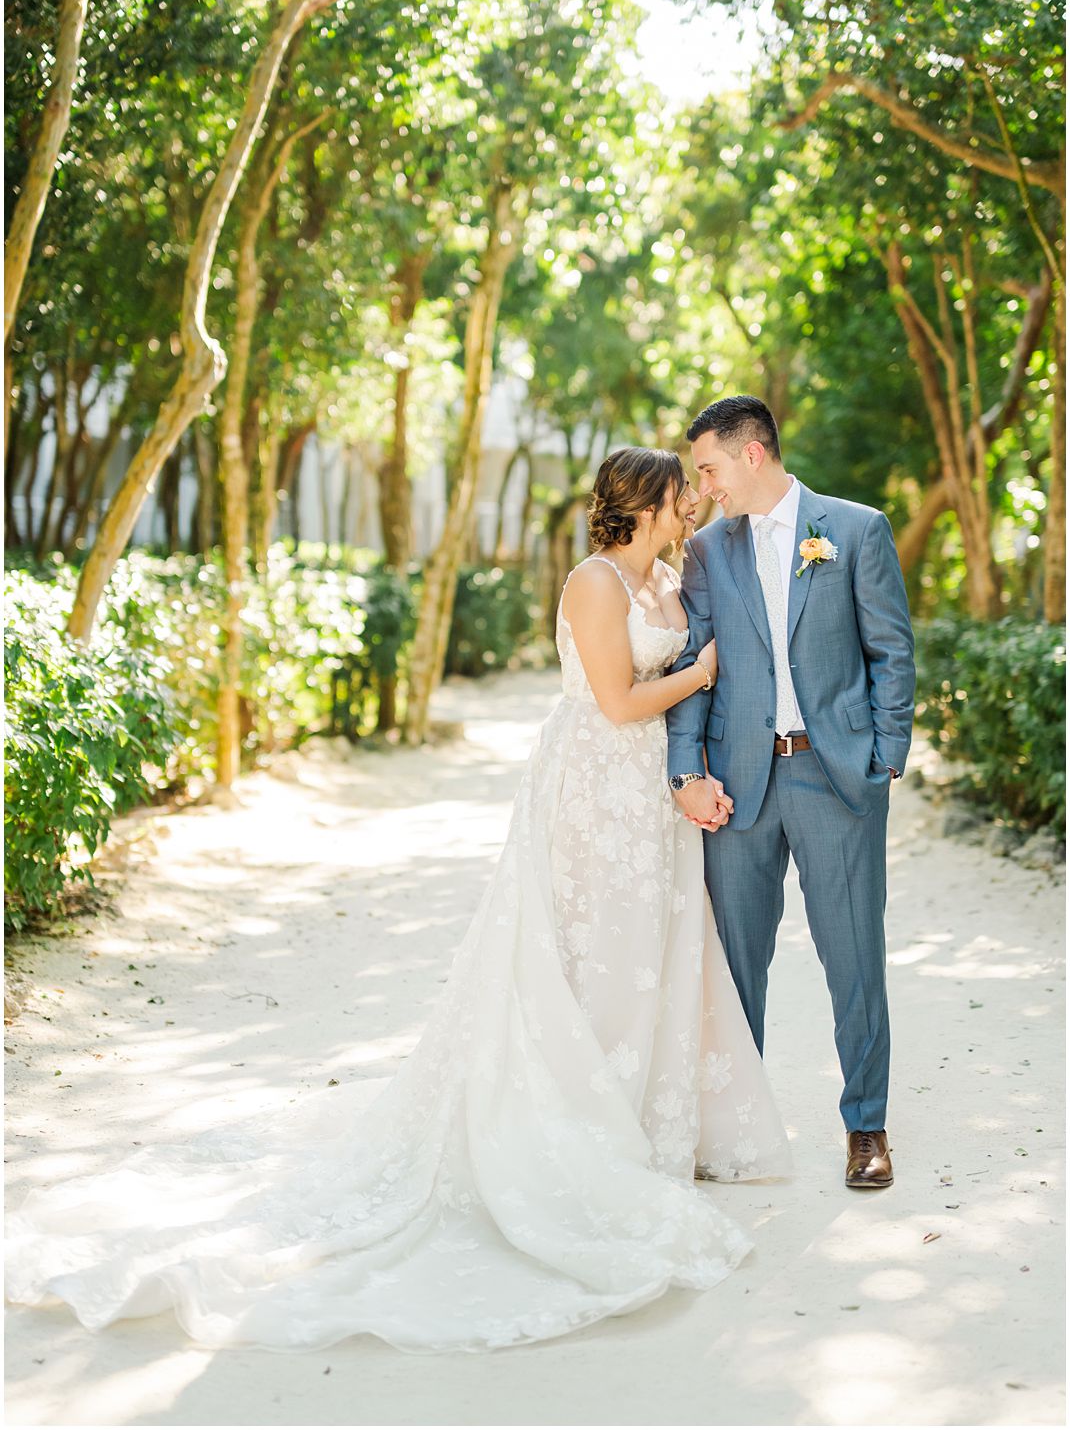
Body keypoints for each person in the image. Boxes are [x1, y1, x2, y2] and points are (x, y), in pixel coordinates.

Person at [6, 446, 789, 1354]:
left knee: (645, 955)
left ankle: (641, 1124)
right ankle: (578, 1134)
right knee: (587, 956)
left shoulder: (668, 577)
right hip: (591, 789)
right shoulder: (595, 583)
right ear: (642, 503)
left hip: (648, 796)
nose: (689, 499)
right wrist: (705, 671)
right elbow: (616, 702)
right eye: (678, 489)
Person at [666, 396, 915, 1190]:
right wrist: (686, 772)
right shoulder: (707, 550)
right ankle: (740, 1130)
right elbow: (693, 666)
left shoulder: (856, 531)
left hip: (835, 775)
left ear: (752, 454)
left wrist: (885, 757)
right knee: (736, 963)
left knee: (854, 956)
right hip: (737, 783)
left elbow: (891, 650)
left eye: (709, 468)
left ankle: (867, 1128)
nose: (704, 487)